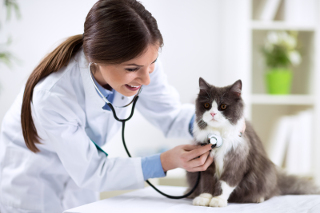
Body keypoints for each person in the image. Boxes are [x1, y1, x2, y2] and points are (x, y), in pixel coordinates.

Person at [0, 0, 214, 212]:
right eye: (132, 69)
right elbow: (92, 171)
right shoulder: (54, 97)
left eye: (152, 64)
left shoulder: (143, 63)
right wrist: (165, 161)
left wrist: (210, 123)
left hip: (78, 187)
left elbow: (169, 114)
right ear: (97, 60)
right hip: (33, 181)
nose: (146, 79)